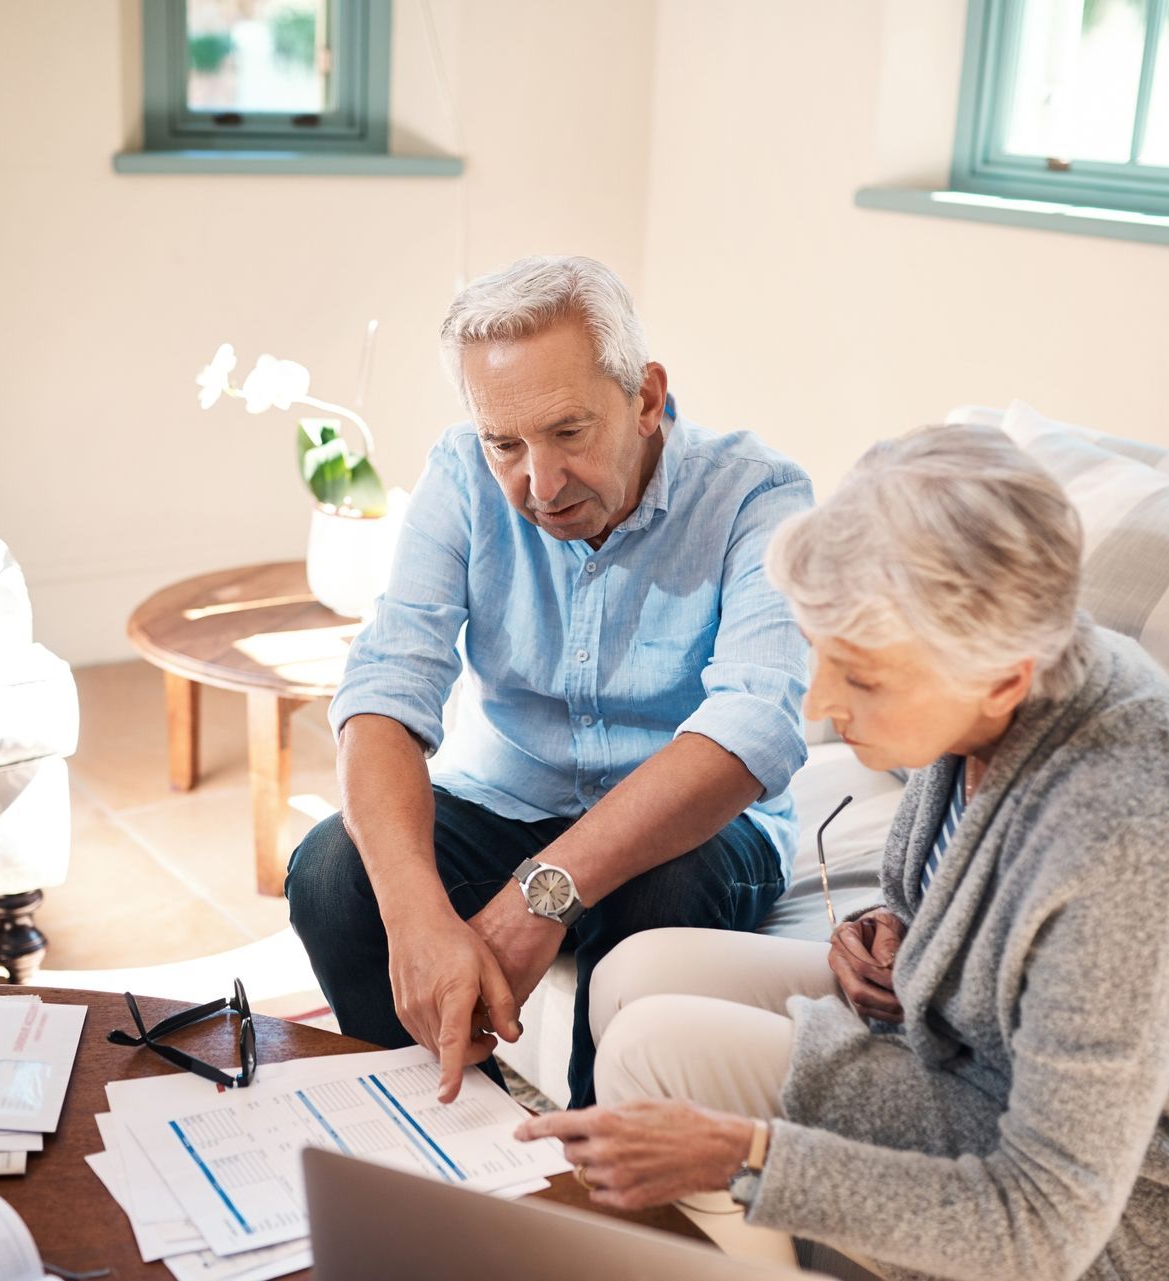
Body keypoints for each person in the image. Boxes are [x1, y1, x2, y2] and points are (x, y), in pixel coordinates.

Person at [517, 425, 1169, 1280]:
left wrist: (745, 1155)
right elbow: (986, 890)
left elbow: (1043, 1222)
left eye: (861, 678)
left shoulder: (1127, 837)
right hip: (979, 1053)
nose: (822, 700)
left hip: (1147, 1205)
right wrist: (897, 927)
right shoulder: (999, 681)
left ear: (1003, 676)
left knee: (656, 1047)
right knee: (633, 973)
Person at [285, 255, 812, 1108]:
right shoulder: (460, 475)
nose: (541, 482)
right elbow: (385, 688)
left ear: (645, 398)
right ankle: (440, 1132)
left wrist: (539, 898)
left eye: (570, 432)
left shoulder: (759, 496)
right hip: (501, 797)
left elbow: (754, 730)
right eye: (507, 444)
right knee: (330, 870)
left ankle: (592, 1173)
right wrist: (420, 920)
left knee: (663, 888)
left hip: (694, 832)